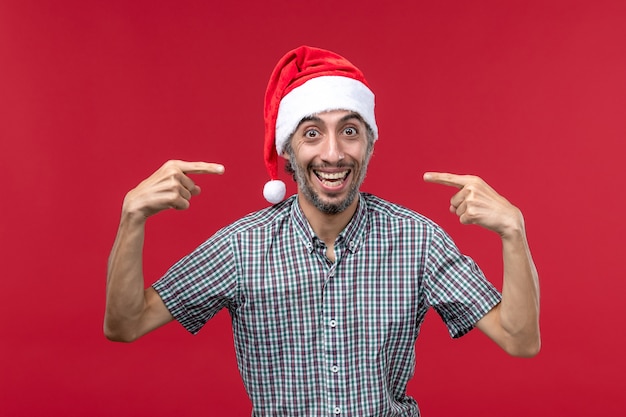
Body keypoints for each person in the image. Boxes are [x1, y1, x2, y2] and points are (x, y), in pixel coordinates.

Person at [104, 46, 540, 416]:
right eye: (312, 133)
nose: (333, 153)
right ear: (289, 151)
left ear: (368, 144)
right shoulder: (242, 246)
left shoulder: (417, 240)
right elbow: (125, 324)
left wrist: (513, 234)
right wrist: (131, 219)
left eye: (349, 131)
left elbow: (519, 340)